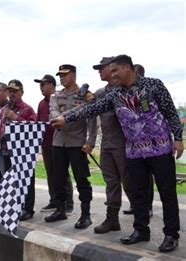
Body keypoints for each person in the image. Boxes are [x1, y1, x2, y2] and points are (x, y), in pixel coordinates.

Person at [52, 55, 183, 253]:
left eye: (115, 71)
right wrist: (66, 118)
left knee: (167, 193)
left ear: (128, 68)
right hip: (134, 151)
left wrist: (179, 138)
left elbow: (171, 112)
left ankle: (171, 234)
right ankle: (141, 230)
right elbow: (92, 108)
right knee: (137, 193)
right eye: (110, 71)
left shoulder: (153, 85)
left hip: (160, 148)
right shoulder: (115, 95)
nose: (112, 75)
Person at [44, 64, 96, 230]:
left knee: (81, 179)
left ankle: (85, 214)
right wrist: (62, 118)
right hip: (59, 142)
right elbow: (52, 114)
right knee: (58, 178)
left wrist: (91, 141)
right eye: (60, 75)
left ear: (73, 75)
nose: (62, 78)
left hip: (77, 143)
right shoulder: (55, 96)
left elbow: (92, 119)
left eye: (65, 75)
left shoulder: (85, 96)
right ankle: (60, 209)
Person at [91, 57, 134, 234]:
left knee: (129, 181)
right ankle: (112, 219)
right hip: (107, 143)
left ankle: (141, 220)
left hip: (124, 144)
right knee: (111, 182)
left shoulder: (124, 89)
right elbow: (89, 110)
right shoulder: (100, 92)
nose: (99, 72)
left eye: (102, 68)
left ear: (112, 68)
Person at [33, 74, 74, 213]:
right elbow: (38, 122)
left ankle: (68, 202)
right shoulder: (41, 103)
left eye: (43, 85)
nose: (41, 88)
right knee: (50, 173)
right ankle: (54, 200)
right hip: (45, 143)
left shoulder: (59, 99)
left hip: (58, 142)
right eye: (40, 85)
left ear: (52, 85)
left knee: (62, 174)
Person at [0, 79, 37, 220]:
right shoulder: (4, 109)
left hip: (23, 152)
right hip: (7, 150)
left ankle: (28, 209)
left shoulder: (28, 109)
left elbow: (34, 128)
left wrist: (17, 118)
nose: (12, 94)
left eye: (15, 91)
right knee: (11, 181)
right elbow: (3, 126)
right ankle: (14, 206)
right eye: (10, 91)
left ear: (22, 92)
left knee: (26, 180)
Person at [123, 63, 154, 218]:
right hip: (134, 142)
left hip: (148, 141)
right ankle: (136, 205)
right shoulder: (125, 92)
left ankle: (148, 207)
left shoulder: (145, 92)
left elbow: (146, 112)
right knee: (136, 179)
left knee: (147, 178)